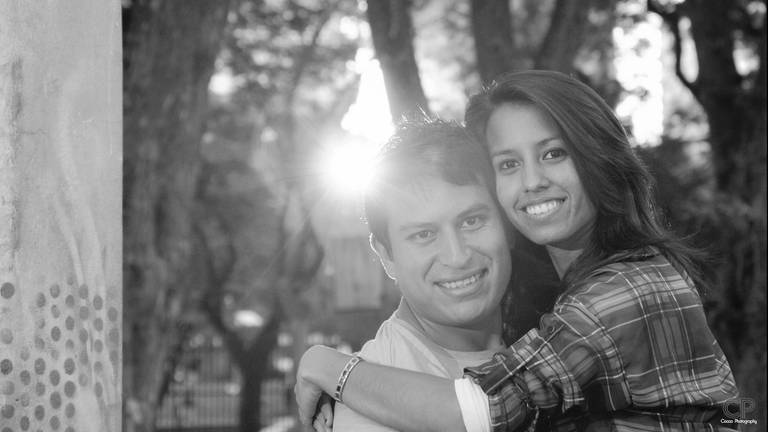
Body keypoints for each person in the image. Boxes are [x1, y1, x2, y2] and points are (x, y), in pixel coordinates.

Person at [295, 70, 739, 432]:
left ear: (597, 156)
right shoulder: (549, 307)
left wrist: (326, 364)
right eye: (509, 164)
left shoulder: (625, 292)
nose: (531, 182)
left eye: (553, 154)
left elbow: (481, 411)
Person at [328, 119, 514, 431]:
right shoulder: (369, 406)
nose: (457, 257)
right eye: (424, 234)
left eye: (472, 221)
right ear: (387, 255)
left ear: (507, 223)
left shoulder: (554, 323)